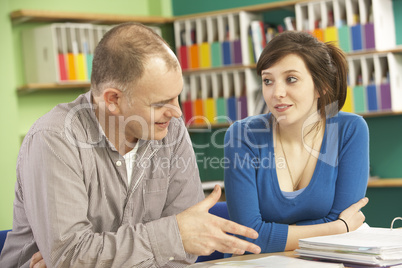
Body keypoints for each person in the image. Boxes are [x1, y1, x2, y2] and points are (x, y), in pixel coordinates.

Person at [0, 22, 261, 268]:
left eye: (177, 97)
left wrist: (92, 258)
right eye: (161, 103)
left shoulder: (170, 130)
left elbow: (186, 250)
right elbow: (71, 256)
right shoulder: (54, 139)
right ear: (113, 99)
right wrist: (172, 236)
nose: (178, 113)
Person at [224, 30, 370, 254]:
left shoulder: (350, 130)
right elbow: (250, 236)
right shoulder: (243, 135)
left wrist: (273, 234)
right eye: (268, 81)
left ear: (322, 86)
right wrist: (337, 227)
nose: (277, 93)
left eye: (291, 79)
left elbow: (346, 228)